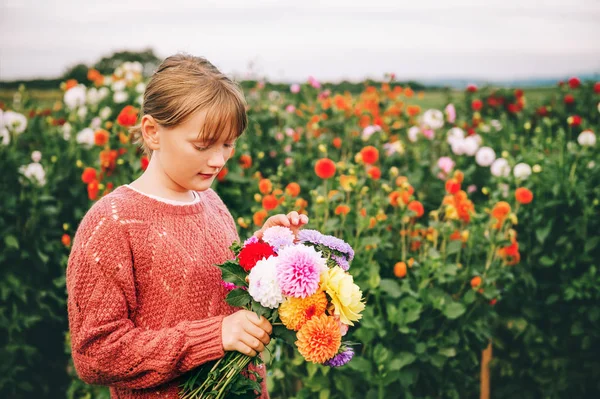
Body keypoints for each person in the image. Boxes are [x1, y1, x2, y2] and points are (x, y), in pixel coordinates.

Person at [66, 53, 309, 399]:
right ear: (153, 132)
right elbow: (96, 352)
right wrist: (214, 336)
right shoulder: (113, 222)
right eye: (203, 145)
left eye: (228, 144)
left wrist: (265, 250)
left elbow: (221, 291)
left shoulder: (212, 204)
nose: (219, 159)